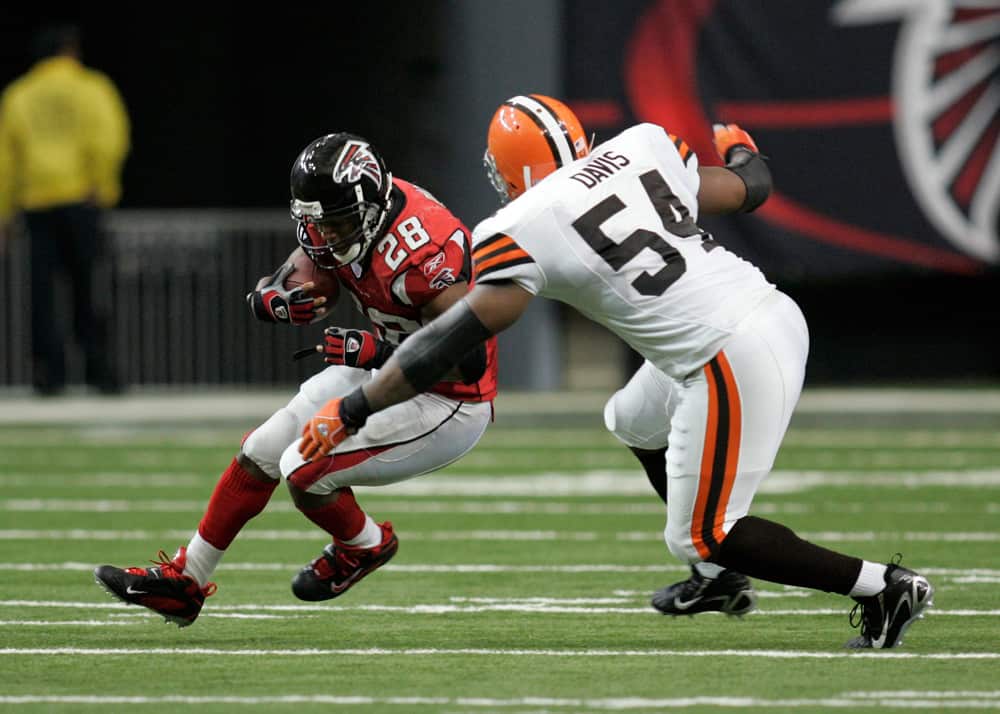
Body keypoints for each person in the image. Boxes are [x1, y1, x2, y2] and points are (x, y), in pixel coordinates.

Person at [293, 94, 935, 649]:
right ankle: (717, 584)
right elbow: (749, 188)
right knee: (630, 418)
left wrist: (355, 408)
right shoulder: (644, 147)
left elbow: (449, 341)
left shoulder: (521, 222)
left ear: (508, 174)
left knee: (707, 532)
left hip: (727, 347)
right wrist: (740, 152)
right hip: (752, 316)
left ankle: (881, 587)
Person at [93, 132, 499, 626]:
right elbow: (291, 279)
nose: (326, 238)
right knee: (262, 449)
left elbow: (468, 358)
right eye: (317, 224)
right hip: (384, 369)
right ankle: (188, 581)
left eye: (338, 225)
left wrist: (373, 349)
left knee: (304, 469)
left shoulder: (421, 248)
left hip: (446, 399)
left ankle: (364, 546)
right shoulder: (342, 222)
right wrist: (272, 300)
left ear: (369, 210)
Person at [0, 24, 130, 395]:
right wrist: (102, 185)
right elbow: (110, 137)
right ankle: (98, 369)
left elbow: (5, 159)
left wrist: (4, 211)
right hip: (80, 199)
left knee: (41, 293)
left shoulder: (19, 95)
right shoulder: (92, 87)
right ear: (70, 51)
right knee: (89, 288)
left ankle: (48, 375)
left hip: (36, 202)